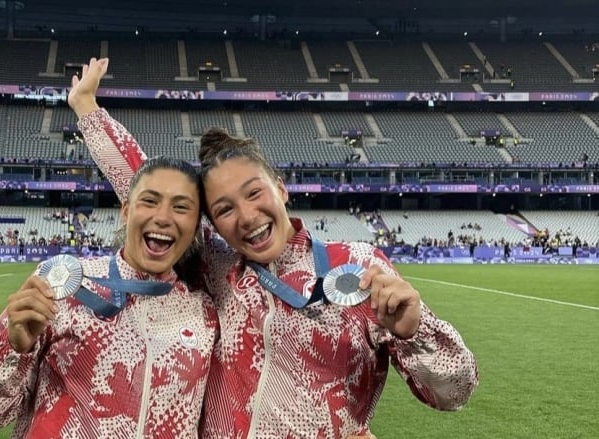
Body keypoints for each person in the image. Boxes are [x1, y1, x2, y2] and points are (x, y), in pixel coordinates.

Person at [71, 57, 478, 438]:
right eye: (224, 208)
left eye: (254, 193)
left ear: (280, 189)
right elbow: (147, 188)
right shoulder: (218, 267)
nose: (246, 216)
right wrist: (88, 110)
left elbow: (453, 392)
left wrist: (415, 329)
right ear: (213, 225)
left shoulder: (358, 267)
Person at [0, 155, 219, 438]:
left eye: (181, 207)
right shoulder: (64, 284)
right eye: (149, 201)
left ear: (196, 227)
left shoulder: (205, 314)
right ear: (126, 210)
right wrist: (15, 349)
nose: (163, 217)